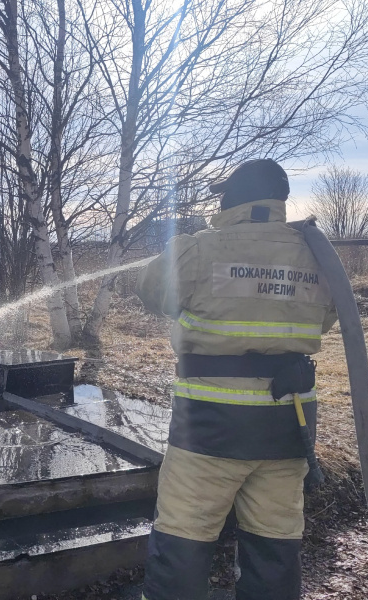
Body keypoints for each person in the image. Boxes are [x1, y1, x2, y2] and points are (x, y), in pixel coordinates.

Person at [135, 159, 337, 600]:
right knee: (275, 542)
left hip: (209, 430)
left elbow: (151, 291)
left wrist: (176, 246)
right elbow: (324, 321)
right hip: (288, 426)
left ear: (233, 197)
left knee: (184, 537)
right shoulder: (318, 255)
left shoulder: (200, 249)